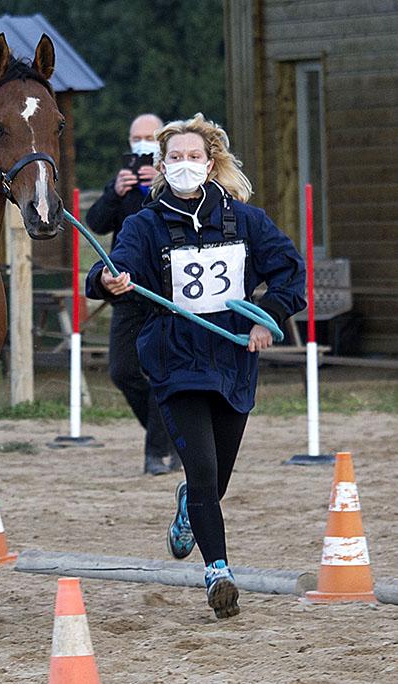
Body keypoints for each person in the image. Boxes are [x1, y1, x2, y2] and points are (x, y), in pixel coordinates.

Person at [85, 113, 306, 619]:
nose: (185, 166)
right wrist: (108, 281)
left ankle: (189, 504)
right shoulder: (144, 223)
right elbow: (112, 269)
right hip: (175, 361)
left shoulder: (245, 220)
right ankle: (218, 573)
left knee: (215, 482)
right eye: (176, 158)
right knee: (204, 473)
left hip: (232, 361)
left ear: (212, 164)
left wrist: (265, 320)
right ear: (162, 165)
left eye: (194, 157)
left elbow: (291, 275)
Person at [86, 113, 177, 475]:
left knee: (160, 371)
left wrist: (160, 184)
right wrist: (115, 193)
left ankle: (157, 453)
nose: (142, 143)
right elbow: (95, 223)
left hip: (166, 294)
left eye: (149, 136)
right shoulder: (121, 182)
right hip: (126, 292)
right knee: (122, 370)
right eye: (136, 136)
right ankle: (170, 436)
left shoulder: (175, 180)